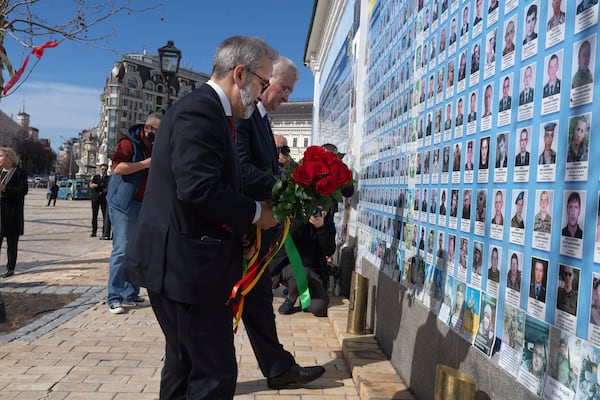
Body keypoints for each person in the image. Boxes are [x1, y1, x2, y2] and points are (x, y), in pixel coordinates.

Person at [124, 36, 282, 399]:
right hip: (185, 268)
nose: (261, 94)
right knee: (213, 374)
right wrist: (258, 214)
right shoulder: (202, 111)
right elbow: (198, 188)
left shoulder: (210, 111)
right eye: (262, 83)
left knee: (184, 367)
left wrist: (238, 231)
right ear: (240, 74)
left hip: (185, 263)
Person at [234, 54, 325, 387]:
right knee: (224, 310)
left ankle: (278, 368)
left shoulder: (260, 118)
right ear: (265, 80)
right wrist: (286, 188)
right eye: (283, 88)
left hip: (256, 230)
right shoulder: (243, 116)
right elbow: (242, 170)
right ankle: (201, 377)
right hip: (240, 226)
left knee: (257, 301)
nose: (287, 97)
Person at [106, 112, 161, 315]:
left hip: (143, 203)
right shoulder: (127, 142)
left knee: (136, 250)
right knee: (122, 248)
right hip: (123, 203)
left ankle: (131, 293)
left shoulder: (154, 145)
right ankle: (114, 296)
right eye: (158, 131)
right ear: (148, 129)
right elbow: (118, 168)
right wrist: (146, 163)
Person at [274, 207, 336, 317]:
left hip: (314, 272)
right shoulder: (293, 218)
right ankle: (291, 298)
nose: (314, 212)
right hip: (290, 268)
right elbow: (285, 239)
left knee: (319, 308)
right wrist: (301, 219)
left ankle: (304, 297)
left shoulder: (326, 222)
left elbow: (329, 250)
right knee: (302, 272)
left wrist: (321, 228)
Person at [0, 147, 28, 278]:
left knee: (12, 244)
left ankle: (10, 268)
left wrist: (5, 189)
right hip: (0, 214)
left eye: (1, 156)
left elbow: (22, 191)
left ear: (9, 157)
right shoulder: (0, 171)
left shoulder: (19, 173)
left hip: (12, 214)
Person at [90, 163, 110, 237]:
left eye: (105, 169)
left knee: (105, 216)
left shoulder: (108, 178)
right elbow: (92, 185)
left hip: (104, 199)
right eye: (102, 169)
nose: (104, 171)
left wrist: (98, 186)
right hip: (95, 198)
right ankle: (94, 231)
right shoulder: (96, 177)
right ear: (100, 169)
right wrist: (100, 186)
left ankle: (105, 232)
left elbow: (107, 187)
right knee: (94, 215)